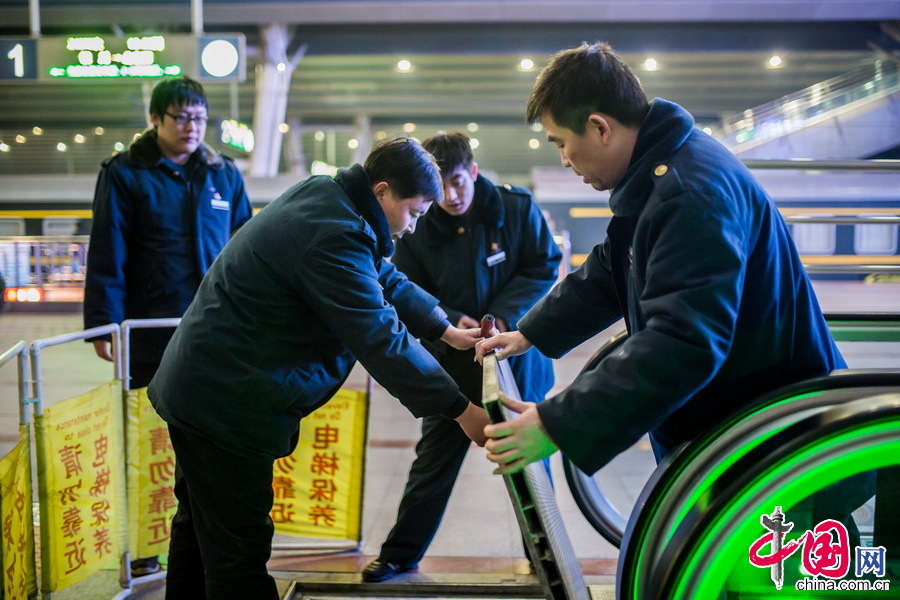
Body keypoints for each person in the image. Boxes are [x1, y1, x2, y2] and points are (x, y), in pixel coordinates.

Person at [475, 42, 866, 542]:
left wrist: (556, 424)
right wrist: (528, 333)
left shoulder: (687, 192)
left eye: (559, 142)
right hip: (737, 432)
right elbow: (613, 268)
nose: (565, 160)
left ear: (599, 127)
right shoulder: (661, 174)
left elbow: (684, 339)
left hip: (767, 445)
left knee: (792, 580)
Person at [147, 137, 491, 600]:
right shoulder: (334, 235)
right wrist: (460, 409)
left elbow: (380, 273)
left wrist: (443, 328)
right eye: (412, 212)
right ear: (384, 191)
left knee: (200, 531)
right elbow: (380, 339)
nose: (411, 228)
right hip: (226, 403)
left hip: (206, 387)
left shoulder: (330, 199)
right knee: (237, 552)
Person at [363, 131, 562, 583]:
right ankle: (400, 553)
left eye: (458, 182)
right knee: (433, 459)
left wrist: (502, 318)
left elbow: (543, 265)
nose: (450, 196)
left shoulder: (515, 208)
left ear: (473, 171)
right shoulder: (419, 218)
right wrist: (454, 321)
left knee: (528, 458)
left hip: (516, 358)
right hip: (453, 361)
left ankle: (544, 555)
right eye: (441, 186)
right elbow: (404, 287)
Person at [82, 74, 252, 577]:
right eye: (181, 117)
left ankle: (195, 535)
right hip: (150, 331)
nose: (192, 127)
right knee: (150, 440)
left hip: (214, 329)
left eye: (199, 117)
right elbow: (107, 251)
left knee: (204, 438)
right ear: (156, 119)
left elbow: (246, 245)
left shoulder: (224, 174)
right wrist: (102, 324)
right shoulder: (126, 173)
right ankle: (142, 545)